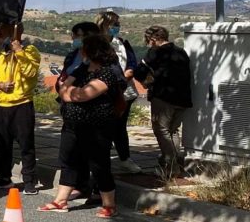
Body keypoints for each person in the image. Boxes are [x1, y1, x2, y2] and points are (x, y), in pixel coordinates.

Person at [39, 35, 126, 219]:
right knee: (68, 161)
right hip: (72, 125)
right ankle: (60, 201)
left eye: (83, 48)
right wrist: (69, 92)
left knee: (99, 165)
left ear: (91, 51)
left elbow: (83, 95)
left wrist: (69, 92)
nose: (80, 51)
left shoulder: (107, 73)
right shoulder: (81, 69)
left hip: (96, 128)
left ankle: (109, 204)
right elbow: (62, 89)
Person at [0, 23, 40, 194]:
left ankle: (29, 181)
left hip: (21, 104)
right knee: (2, 143)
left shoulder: (30, 51)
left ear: (17, 31)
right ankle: (4, 177)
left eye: (4, 29)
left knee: (26, 144)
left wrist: (19, 52)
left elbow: (30, 73)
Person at [134, 26, 192, 177]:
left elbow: (139, 71)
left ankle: (170, 167)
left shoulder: (155, 52)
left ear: (153, 39)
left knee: (161, 130)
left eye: (148, 41)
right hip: (183, 98)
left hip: (163, 97)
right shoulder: (181, 52)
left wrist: (147, 82)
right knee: (173, 131)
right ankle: (176, 164)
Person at [57, 21, 102, 201]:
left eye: (77, 35)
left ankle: (100, 189)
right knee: (71, 152)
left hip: (93, 111)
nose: (74, 39)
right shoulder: (73, 56)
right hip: (71, 110)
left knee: (96, 154)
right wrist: (62, 87)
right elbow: (65, 76)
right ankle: (79, 186)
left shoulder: (103, 59)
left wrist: (70, 92)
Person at [95, 11, 142, 173]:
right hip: (100, 92)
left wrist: (126, 76)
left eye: (118, 25)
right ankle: (100, 160)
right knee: (102, 128)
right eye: (114, 24)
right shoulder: (95, 44)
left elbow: (132, 65)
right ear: (104, 24)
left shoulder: (122, 44)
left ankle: (124, 158)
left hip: (124, 92)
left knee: (119, 127)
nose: (117, 27)